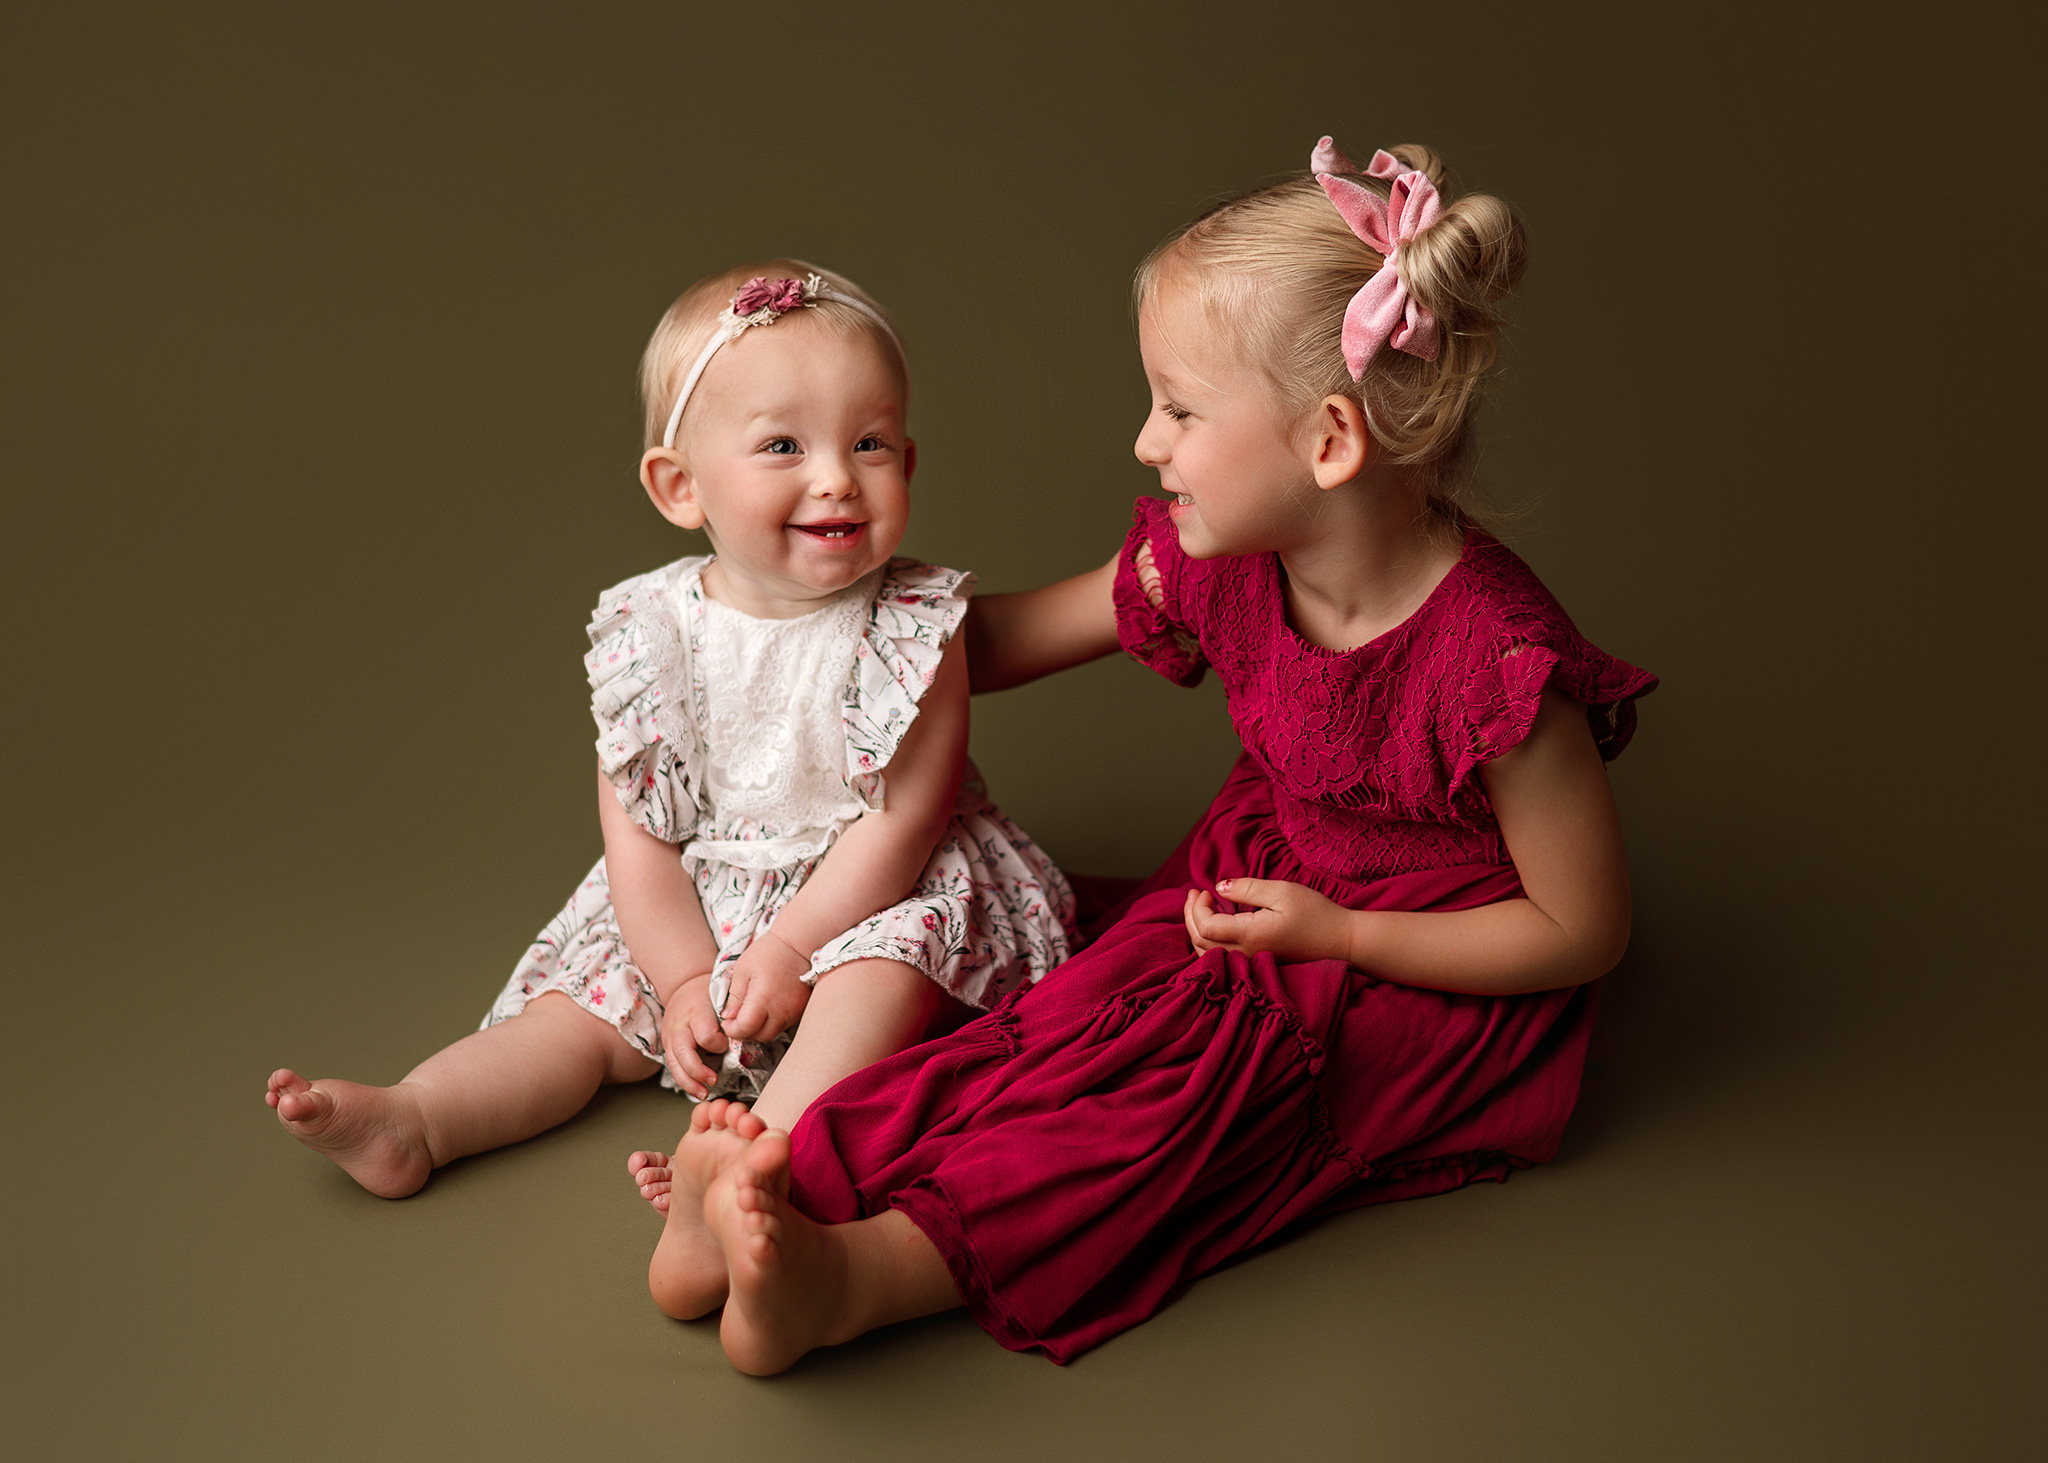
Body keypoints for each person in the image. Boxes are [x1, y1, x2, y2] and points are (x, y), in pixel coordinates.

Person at [643, 139, 1659, 1374]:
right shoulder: (1215, 560)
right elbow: (995, 641)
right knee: (1055, 1032)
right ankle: (779, 1181)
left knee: (1161, 1121)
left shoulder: (1496, 666)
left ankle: (856, 1276)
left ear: (1328, 439)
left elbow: (1578, 929)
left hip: (1410, 967)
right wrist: (795, 626)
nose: (1144, 441)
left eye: (1177, 409)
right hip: (1254, 888)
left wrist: (1343, 937)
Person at [263, 263, 1075, 1273]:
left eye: (869, 444)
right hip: (699, 896)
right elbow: (638, 833)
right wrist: (684, 972)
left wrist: (786, 952)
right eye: (784, 445)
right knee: (580, 1014)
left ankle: (744, 1165)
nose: (835, 477)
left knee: (874, 983)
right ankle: (420, 1115)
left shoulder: (917, 623)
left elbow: (901, 823)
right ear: (677, 485)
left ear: (906, 457)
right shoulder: (648, 630)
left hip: (869, 892)